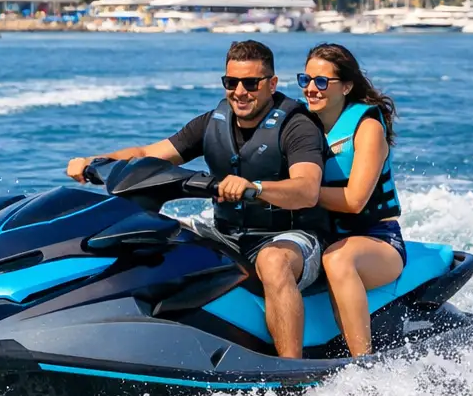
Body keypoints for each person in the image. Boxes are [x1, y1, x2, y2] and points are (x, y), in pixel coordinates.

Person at [66, 40, 328, 358]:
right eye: (231, 82)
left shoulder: (297, 127)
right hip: (226, 229)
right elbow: (148, 154)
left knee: (272, 263)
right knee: (152, 234)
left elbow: (306, 188)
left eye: (251, 83)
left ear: (271, 84)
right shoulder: (211, 123)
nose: (240, 92)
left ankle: (291, 371)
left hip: (289, 235)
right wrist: (96, 161)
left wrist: (254, 187)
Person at [300, 42, 404, 357]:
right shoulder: (302, 124)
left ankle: (363, 363)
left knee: (337, 259)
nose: (311, 90)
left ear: (346, 86)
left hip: (376, 240)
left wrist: (296, 193)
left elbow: (355, 200)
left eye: (321, 82)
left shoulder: (367, 126)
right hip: (322, 235)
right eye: (305, 81)